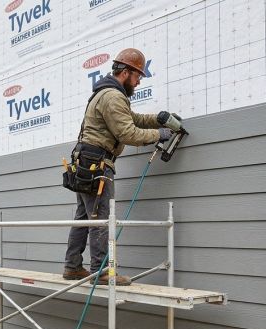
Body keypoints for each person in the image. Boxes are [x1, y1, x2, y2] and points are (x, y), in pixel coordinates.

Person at [63, 48, 179, 286]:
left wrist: (158, 118)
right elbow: (127, 132)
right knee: (101, 218)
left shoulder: (107, 94)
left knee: (85, 217)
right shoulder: (113, 96)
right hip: (97, 165)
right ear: (125, 72)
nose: (138, 83)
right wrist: (159, 134)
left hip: (86, 162)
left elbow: (132, 118)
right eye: (138, 77)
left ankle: (73, 267)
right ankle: (102, 273)